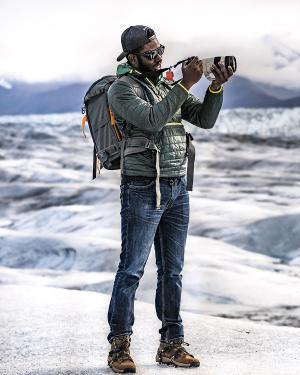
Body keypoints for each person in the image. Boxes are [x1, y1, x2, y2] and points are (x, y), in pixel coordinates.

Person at [106, 25, 233, 373]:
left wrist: (215, 86)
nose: (159, 57)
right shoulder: (122, 89)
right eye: (150, 54)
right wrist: (185, 84)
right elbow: (150, 119)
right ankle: (119, 348)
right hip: (142, 188)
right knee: (131, 269)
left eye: (160, 50)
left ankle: (171, 345)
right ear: (131, 58)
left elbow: (204, 119)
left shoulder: (165, 85)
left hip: (176, 187)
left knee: (172, 271)